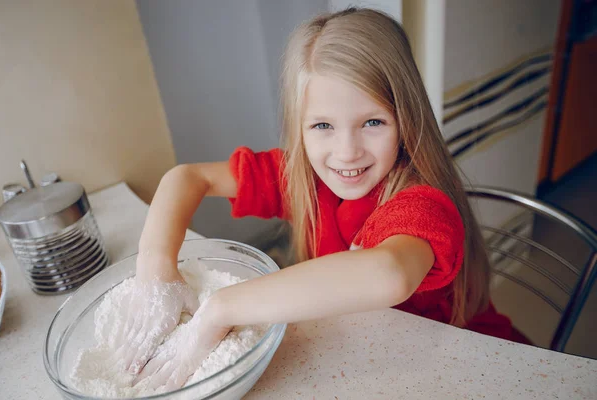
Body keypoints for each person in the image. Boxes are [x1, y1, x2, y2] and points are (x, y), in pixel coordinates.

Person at [115, 7, 529, 391]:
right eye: (322, 126)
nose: (347, 152)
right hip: (371, 361)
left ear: (407, 118)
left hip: (472, 368)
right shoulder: (302, 177)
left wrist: (220, 309)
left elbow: (388, 273)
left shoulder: (421, 204)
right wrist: (156, 271)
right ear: (299, 126)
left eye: (372, 122)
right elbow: (187, 177)